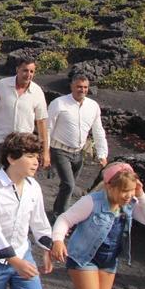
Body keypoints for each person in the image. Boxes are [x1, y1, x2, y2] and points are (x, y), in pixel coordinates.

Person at [51, 163, 145, 289]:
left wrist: (141, 195)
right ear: (109, 186)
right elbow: (65, 219)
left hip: (109, 261)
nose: (129, 195)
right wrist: (58, 240)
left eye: (132, 190)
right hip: (83, 258)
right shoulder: (91, 202)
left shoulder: (129, 204)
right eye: (124, 191)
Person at [0, 132, 53, 289]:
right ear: (11, 158)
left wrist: (46, 250)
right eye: (30, 156)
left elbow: (39, 221)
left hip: (22, 253)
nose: (36, 162)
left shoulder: (33, 187)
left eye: (37, 157)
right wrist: (14, 261)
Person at [47, 74, 109, 218]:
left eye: (85, 87)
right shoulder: (59, 103)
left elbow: (98, 131)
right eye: (79, 87)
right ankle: (62, 216)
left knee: (68, 185)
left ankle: (57, 211)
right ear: (72, 86)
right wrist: (46, 152)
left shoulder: (93, 106)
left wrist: (102, 154)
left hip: (78, 153)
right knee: (69, 185)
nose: (82, 90)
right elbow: (48, 128)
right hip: (60, 149)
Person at [0, 57, 49, 176]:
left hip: (23, 143)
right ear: (17, 69)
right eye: (25, 70)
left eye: (31, 71)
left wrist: (45, 152)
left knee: (20, 177)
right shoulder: (2, 85)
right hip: (0, 140)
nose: (28, 74)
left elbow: (41, 122)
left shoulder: (37, 92)